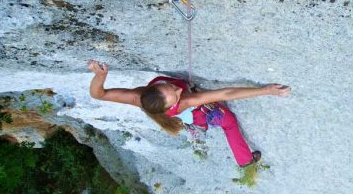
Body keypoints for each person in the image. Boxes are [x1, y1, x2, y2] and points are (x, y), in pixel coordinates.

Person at [87, 60, 291, 166]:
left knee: (206, 118)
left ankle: (197, 127)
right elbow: (227, 93)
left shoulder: (139, 98)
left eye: (170, 87)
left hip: (184, 116)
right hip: (194, 112)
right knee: (228, 121)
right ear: (170, 106)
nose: (177, 90)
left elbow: (99, 94)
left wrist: (100, 75)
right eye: (175, 94)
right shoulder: (185, 100)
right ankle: (245, 159)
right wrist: (266, 90)